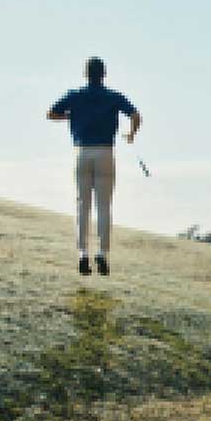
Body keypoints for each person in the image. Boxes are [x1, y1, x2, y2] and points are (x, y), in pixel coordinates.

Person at [48, 57, 141, 276]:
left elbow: (51, 113)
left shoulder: (75, 95)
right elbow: (136, 115)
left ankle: (82, 253)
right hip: (106, 151)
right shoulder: (113, 96)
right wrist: (131, 134)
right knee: (104, 206)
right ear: (104, 74)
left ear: (85, 74)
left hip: (81, 151)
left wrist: (69, 116)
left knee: (82, 204)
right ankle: (102, 253)